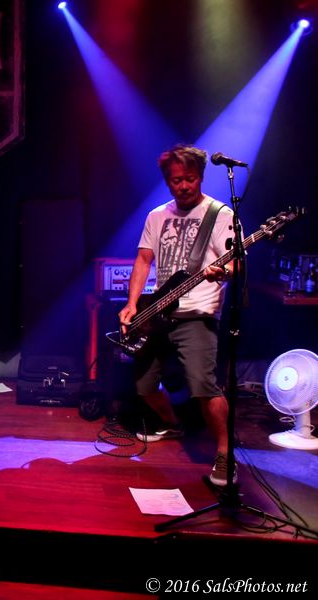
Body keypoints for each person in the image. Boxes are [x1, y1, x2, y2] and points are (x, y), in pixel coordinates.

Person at [118, 144, 237, 486]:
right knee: (143, 386)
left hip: (198, 312)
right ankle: (172, 424)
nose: (183, 186)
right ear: (167, 181)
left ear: (200, 177)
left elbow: (236, 262)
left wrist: (223, 272)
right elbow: (143, 260)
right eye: (176, 180)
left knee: (204, 387)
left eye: (190, 179)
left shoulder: (220, 215)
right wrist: (132, 303)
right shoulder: (157, 216)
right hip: (158, 312)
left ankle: (225, 453)